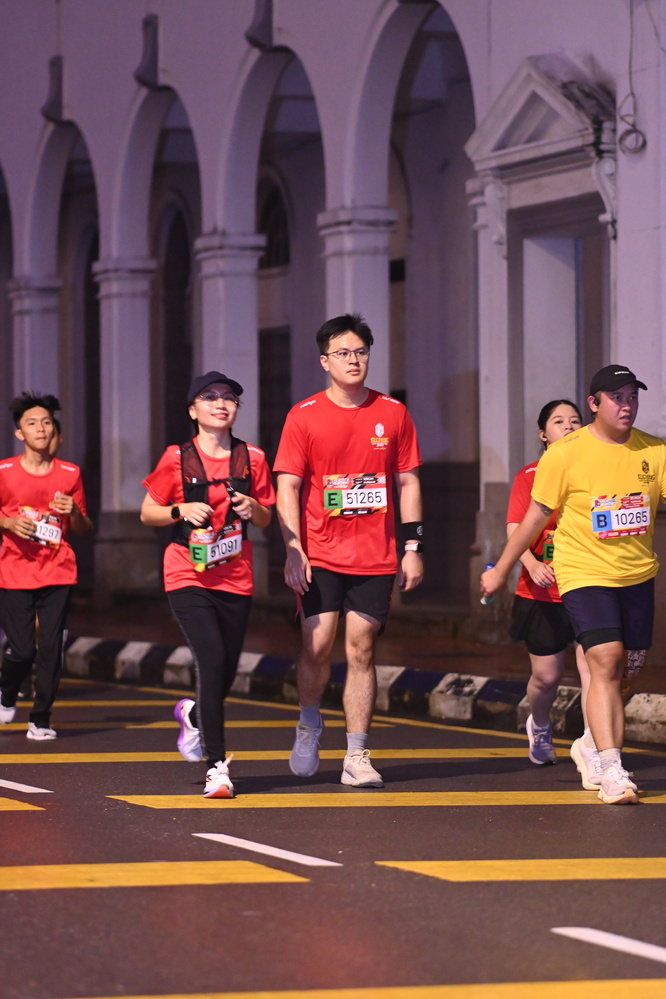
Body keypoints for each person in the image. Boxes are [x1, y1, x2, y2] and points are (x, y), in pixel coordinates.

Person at [481, 365, 666, 805]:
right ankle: (612, 766)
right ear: (594, 403)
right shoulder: (565, 454)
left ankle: (590, 744)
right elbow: (533, 517)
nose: (627, 405)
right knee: (606, 659)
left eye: (632, 396)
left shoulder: (655, 450)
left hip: (637, 576)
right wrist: (502, 568)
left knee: (624, 674)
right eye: (617, 397)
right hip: (583, 573)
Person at [274, 313, 424, 788]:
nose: (354, 360)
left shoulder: (393, 412)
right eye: (343, 353)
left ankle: (357, 753)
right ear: (325, 361)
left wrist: (413, 546)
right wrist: (293, 548)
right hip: (319, 553)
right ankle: (308, 723)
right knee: (317, 645)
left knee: (361, 648)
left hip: (375, 555)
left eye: (360, 352)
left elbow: (408, 482)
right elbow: (287, 486)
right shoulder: (303, 415)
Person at [140, 371, 275, 798]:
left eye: (229, 397)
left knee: (226, 671)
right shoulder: (176, 458)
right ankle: (216, 767)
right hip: (187, 572)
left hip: (235, 575)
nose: (221, 403)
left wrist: (252, 507)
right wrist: (179, 510)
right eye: (210, 397)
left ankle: (195, 714)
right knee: (212, 661)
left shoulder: (252, 457)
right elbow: (147, 512)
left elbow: (267, 516)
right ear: (192, 410)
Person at [0, 393, 91, 739]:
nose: (40, 428)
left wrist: (75, 513)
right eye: (32, 423)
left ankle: (40, 719)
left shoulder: (70, 473)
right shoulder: (4, 472)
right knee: (22, 650)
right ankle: (6, 692)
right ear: (19, 433)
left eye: (46, 422)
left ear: (54, 430)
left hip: (58, 569)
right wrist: (8, 523)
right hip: (14, 570)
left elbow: (83, 527)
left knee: (52, 649)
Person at [506, 399, 589, 765]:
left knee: (595, 672)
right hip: (542, 591)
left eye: (575, 421)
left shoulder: (594, 470)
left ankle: (595, 745)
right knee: (547, 676)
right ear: (543, 434)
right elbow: (515, 527)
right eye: (559, 421)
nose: (568, 426)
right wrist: (531, 562)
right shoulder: (529, 475)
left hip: (588, 585)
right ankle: (539, 725)